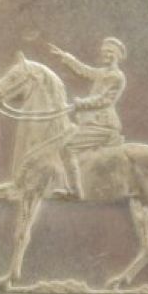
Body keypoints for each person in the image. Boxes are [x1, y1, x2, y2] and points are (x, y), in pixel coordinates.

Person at [48, 37, 128, 199]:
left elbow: (104, 100)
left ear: (118, 56)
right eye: (104, 52)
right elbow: (85, 71)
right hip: (94, 123)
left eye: (110, 52)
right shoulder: (104, 72)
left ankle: (75, 192)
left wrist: (79, 104)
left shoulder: (116, 76)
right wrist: (66, 57)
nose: (106, 55)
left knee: (67, 147)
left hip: (103, 125)